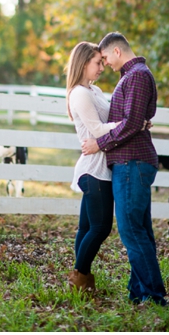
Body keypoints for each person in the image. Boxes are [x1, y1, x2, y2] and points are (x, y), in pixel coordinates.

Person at [81, 32, 167, 306]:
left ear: (117, 51)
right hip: (129, 163)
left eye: (105, 57)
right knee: (139, 230)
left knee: (131, 231)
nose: (104, 64)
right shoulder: (130, 77)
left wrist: (99, 144)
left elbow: (130, 124)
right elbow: (131, 121)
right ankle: (139, 293)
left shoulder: (138, 75)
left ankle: (154, 296)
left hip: (133, 163)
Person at [65, 42, 119, 293]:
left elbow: (107, 123)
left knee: (87, 228)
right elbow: (97, 130)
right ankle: (80, 276)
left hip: (100, 166)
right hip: (94, 169)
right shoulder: (79, 93)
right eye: (98, 62)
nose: (101, 67)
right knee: (101, 227)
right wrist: (131, 123)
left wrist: (124, 121)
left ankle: (80, 277)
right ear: (84, 62)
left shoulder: (94, 90)